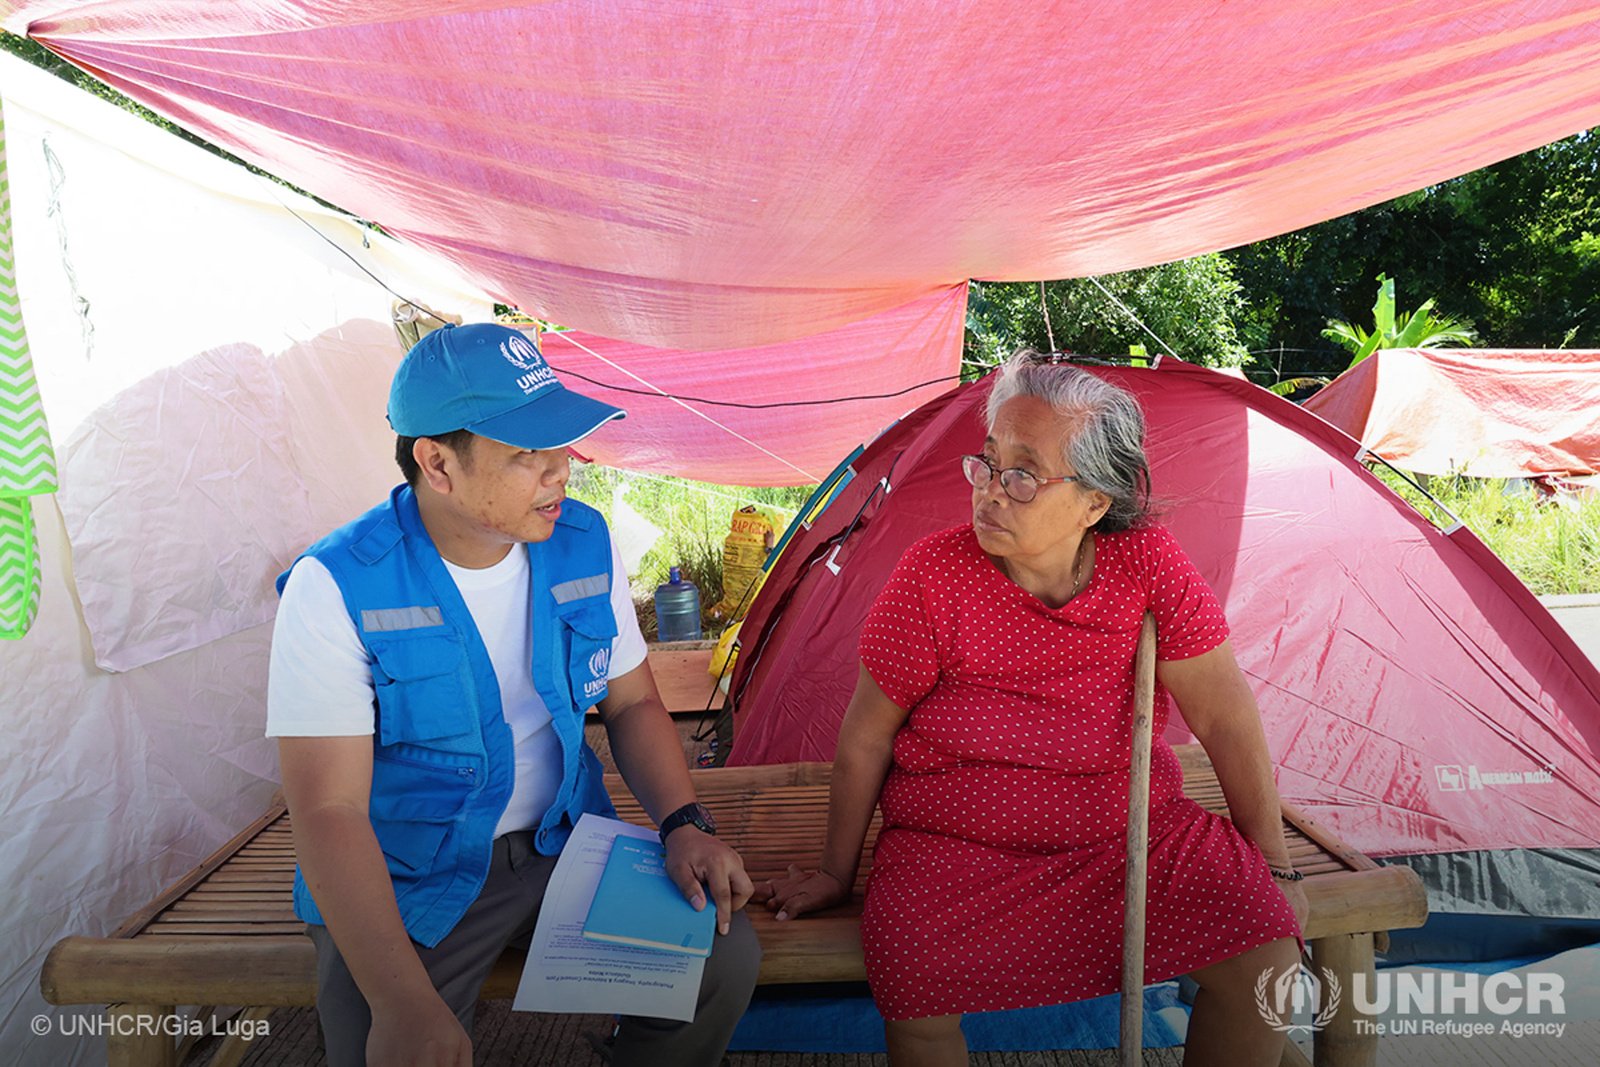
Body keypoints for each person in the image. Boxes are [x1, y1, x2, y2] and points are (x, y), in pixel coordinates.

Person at [758, 351, 1306, 1067]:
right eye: (987, 464)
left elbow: (1225, 716)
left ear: (1094, 503)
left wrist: (1273, 863)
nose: (990, 491)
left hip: (1126, 835)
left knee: (1265, 954)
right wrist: (836, 872)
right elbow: (866, 737)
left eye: (1022, 475)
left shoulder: (1146, 563)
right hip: (953, 852)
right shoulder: (932, 574)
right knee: (912, 977)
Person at [266, 322, 761, 1067]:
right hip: (408, 878)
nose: (561, 470)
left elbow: (632, 704)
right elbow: (328, 810)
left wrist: (683, 823)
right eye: (528, 452)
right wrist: (400, 1004)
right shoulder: (336, 586)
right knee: (396, 1045)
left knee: (719, 957)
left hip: (565, 845)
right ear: (437, 463)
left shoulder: (582, 542)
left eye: (560, 442)